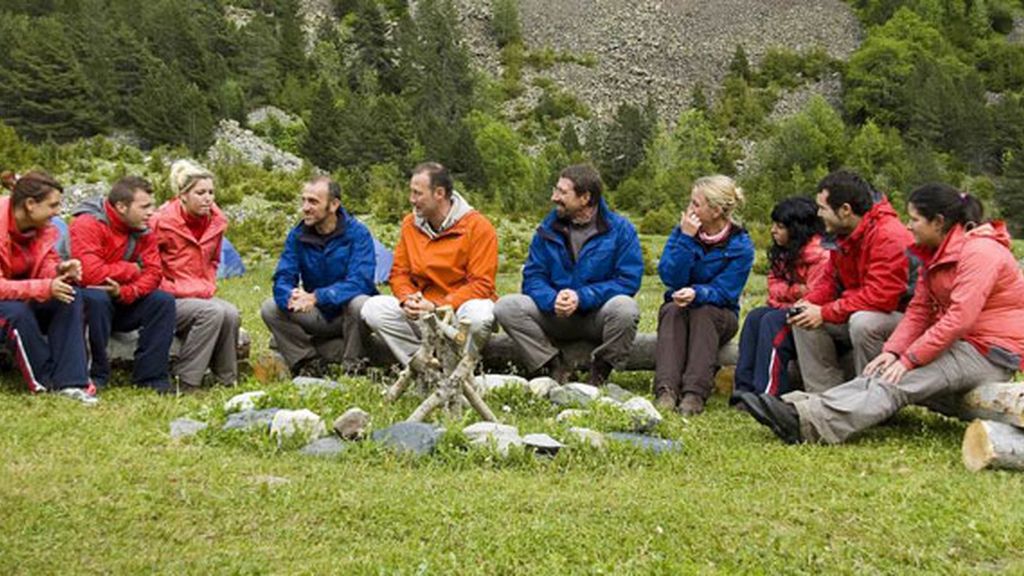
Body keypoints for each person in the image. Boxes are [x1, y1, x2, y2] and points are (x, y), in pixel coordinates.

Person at [740, 184, 1024, 444]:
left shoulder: (980, 253)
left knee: (896, 380)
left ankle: (809, 424)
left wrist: (909, 358)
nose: (909, 226)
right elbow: (920, 309)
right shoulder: (937, 252)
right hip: (959, 343)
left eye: (914, 219)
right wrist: (892, 351)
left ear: (938, 222)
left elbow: (959, 319)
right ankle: (801, 407)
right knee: (885, 370)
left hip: (988, 352)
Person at [494, 164, 642, 385]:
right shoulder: (547, 228)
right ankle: (554, 366)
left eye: (562, 192)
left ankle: (600, 372)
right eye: (556, 190)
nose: (554, 197)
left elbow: (628, 280)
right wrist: (553, 299)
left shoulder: (621, 230)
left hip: (596, 315)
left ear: (585, 198)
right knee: (506, 306)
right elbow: (533, 277)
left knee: (626, 309)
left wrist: (582, 297)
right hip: (555, 315)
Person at [787, 170, 915, 392]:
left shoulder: (888, 236)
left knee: (864, 322)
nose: (818, 213)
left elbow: (880, 297)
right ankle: (824, 396)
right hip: (860, 308)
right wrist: (809, 303)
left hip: (904, 321)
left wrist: (825, 312)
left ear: (845, 210)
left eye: (823, 208)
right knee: (804, 318)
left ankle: (873, 397)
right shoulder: (843, 232)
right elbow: (831, 280)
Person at [361, 162, 498, 364]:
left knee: (479, 315)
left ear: (439, 193)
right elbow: (399, 273)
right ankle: (423, 365)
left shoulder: (478, 227)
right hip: (422, 310)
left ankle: (458, 368)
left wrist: (437, 305)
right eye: (412, 193)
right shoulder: (410, 224)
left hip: (458, 311)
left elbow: (482, 284)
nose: (412, 200)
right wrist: (407, 299)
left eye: (418, 194)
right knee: (373, 308)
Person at [655, 175, 755, 415]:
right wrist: (686, 239)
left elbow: (726, 291)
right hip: (682, 307)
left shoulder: (740, 245)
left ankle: (695, 393)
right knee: (670, 311)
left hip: (720, 315)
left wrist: (697, 292)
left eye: (696, 204)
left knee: (704, 311)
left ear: (717, 210)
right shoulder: (682, 233)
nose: (690, 209)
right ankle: (666, 390)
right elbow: (670, 277)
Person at [260, 176, 377, 376]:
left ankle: (354, 367)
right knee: (270, 307)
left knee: (360, 303)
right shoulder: (298, 235)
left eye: (313, 201)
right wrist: (289, 296)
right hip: (317, 314)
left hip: (348, 316)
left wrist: (316, 296)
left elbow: (360, 282)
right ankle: (308, 363)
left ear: (333, 205)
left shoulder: (357, 233)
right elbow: (284, 275)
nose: (305, 207)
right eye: (303, 200)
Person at [73, 176, 176, 393]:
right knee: (95, 297)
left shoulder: (143, 230)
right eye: (145, 206)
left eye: (152, 206)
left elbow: (154, 272)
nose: (151, 212)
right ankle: (94, 375)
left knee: (162, 301)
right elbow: (89, 274)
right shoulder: (88, 223)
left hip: (121, 298)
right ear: (121, 206)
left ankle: (151, 378)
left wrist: (126, 291)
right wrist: (131, 269)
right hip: (86, 302)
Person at [0, 171, 94, 404]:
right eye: (53, 205)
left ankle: (72, 382)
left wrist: (61, 271)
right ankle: (45, 381)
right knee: (16, 313)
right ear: (31, 204)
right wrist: (45, 286)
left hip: (21, 295)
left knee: (69, 295)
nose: (57, 212)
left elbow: (46, 262)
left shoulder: (42, 227)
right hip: (8, 303)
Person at [151, 160, 240, 389]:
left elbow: (214, 260)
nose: (208, 198)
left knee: (230, 313)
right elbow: (148, 266)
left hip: (199, 293)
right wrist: (176, 289)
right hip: (168, 298)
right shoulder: (161, 222)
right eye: (200, 192)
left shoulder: (216, 223)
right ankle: (187, 381)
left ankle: (227, 380)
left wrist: (207, 282)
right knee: (212, 312)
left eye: (211, 192)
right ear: (183, 195)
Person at [731, 197, 827, 402]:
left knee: (772, 322)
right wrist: (795, 291)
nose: (773, 230)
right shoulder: (785, 252)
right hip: (788, 307)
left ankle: (768, 394)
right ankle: (743, 389)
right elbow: (773, 287)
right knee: (755, 317)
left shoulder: (821, 256)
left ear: (797, 229)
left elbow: (815, 295)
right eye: (774, 224)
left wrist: (789, 296)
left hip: (813, 317)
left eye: (780, 226)